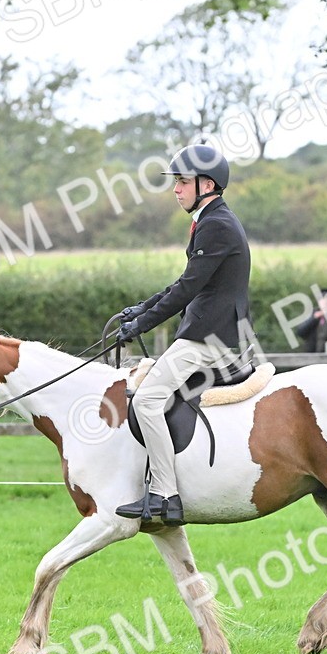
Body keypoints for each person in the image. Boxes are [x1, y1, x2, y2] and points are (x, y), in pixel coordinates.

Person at [114, 144, 252, 526]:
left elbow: (188, 289)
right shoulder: (212, 220)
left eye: (182, 181)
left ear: (207, 184)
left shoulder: (217, 225)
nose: (176, 189)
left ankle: (164, 494)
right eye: (175, 182)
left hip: (209, 340)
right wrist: (141, 309)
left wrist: (144, 323)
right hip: (208, 333)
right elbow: (185, 283)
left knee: (145, 401)